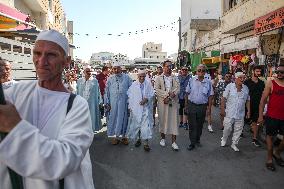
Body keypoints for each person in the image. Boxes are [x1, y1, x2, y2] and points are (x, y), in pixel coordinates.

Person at [0, 29, 94, 189]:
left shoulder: (76, 105)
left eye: (51, 55)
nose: (41, 61)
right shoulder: (16, 92)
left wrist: (15, 127)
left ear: (66, 61)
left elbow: (64, 160)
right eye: (37, 53)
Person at [258, 64, 284, 171]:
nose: (279, 74)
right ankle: (269, 158)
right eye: (277, 72)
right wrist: (260, 116)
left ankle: (277, 153)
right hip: (272, 116)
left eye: (282, 72)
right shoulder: (271, 83)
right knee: (270, 137)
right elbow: (263, 100)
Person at [185, 64, 214, 151]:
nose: (201, 72)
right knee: (192, 125)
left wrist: (209, 108)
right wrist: (186, 105)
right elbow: (186, 93)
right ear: (196, 72)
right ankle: (192, 143)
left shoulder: (208, 82)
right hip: (192, 105)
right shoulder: (191, 80)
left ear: (205, 72)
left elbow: (210, 96)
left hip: (202, 107)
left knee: (200, 125)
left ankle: (197, 139)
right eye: (199, 70)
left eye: (203, 70)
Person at [220, 72, 250, 152]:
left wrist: (248, 111)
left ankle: (234, 144)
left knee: (238, 129)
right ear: (235, 79)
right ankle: (224, 139)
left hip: (240, 113)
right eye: (240, 78)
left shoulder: (246, 88)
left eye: (244, 78)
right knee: (227, 128)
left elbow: (248, 100)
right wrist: (222, 109)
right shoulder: (229, 86)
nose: (242, 79)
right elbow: (223, 98)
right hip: (230, 112)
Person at [104, 62, 132, 145]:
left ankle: (124, 137)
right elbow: (106, 92)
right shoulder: (110, 78)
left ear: (120, 68)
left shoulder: (127, 78)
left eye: (117, 68)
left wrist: (130, 103)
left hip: (124, 103)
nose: (115, 70)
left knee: (124, 119)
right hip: (113, 104)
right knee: (115, 119)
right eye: (114, 68)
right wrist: (107, 103)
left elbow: (131, 91)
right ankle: (116, 137)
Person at [154, 60, 180, 151]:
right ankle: (163, 139)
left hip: (173, 102)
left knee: (174, 122)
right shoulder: (158, 78)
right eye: (167, 66)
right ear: (163, 67)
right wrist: (166, 94)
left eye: (170, 66)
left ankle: (174, 142)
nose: (169, 68)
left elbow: (178, 88)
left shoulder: (175, 78)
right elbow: (156, 89)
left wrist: (172, 95)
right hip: (163, 103)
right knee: (163, 120)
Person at [127, 69, 154, 151]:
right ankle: (138, 140)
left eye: (143, 76)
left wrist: (146, 99)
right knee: (137, 125)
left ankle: (146, 143)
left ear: (145, 76)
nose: (142, 78)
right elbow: (130, 96)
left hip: (145, 109)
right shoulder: (134, 85)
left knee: (145, 126)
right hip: (136, 109)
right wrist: (130, 107)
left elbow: (152, 93)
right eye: (140, 76)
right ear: (138, 76)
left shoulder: (148, 84)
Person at [77, 66, 102, 132]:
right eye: (87, 71)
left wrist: (100, 102)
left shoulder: (95, 81)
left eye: (90, 71)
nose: (89, 72)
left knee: (91, 118)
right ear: (84, 72)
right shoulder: (79, 81)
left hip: (92, 104)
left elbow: (98, 91)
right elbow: (77, 92)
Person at [244, 65, 265, 147]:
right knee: (243, 120)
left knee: (255, 122)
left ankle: (254, 139)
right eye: (257, 71)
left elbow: (263, 95)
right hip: (247, 105)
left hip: (257, 106)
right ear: (253, 71)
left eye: (260, 71)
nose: (258, 73)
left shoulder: (262, 83)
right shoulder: (246, 82)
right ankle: (239, 133)